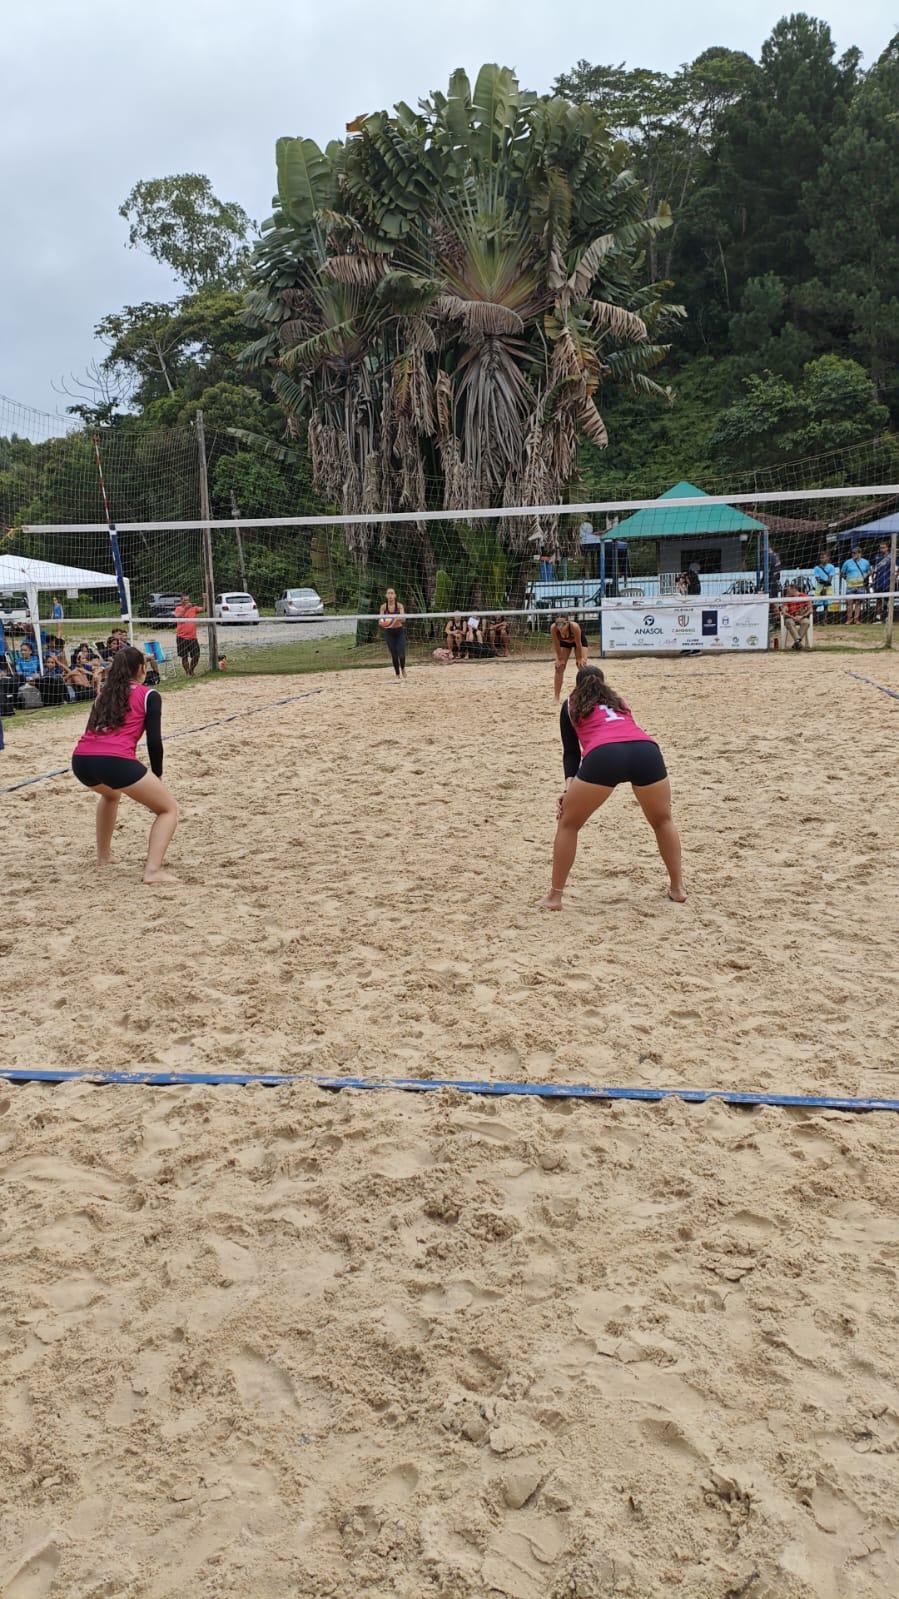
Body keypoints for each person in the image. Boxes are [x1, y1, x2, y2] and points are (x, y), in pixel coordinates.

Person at [539, 664, 685, 911]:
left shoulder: (570, 704)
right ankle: (678, 888)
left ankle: (555, 897)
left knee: (568, 824)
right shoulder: (620, 702)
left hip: (604, 754)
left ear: (577, 686)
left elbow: (571, 752)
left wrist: (568, 789)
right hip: (646, 750)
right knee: (663, 820)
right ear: (604, 684)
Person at [71, 645, 178, 885]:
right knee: (168, 809)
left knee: (111, 794)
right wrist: (157, 775)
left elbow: (91, 729)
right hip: (114, 761)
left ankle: (104, 856)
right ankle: (153, 871)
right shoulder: (149, 695)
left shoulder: (103, 694)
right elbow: (154, 741)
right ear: (141, 669)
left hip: (81, 760)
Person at [550, 613, 587, 702]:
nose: (560, 627)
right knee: (559, 667)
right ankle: (556, 697)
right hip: (564, 643)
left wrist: (579, 658)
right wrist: (560, 659)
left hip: (579, 642)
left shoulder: (574, 627)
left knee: (582, 666)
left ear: (568, 622)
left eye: (562, 624)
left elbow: (578, 644)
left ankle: (585, 695)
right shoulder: (553, 628)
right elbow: (556, 644)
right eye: (557, 624)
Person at [378, 587, 407, 679]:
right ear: (386, 596)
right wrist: (384, 623)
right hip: (389, 632)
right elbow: (380, 621)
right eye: (388, 593)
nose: (390, 595)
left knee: (401, 655)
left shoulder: (399, 606)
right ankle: (397, 674)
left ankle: (403, 668)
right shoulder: (383, 607)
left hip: (399, 632)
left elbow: (403, 619)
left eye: (392, 593)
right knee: (394, 655)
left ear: (395, 595)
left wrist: (394, 620)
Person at [841, 545, 871, 625]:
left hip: (861, 585)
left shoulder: (866, 562)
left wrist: (865, 577)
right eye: (852, 553)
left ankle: (856, 619)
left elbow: (869, 571)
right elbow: (842, 573)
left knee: (858, 603)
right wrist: (847, 579)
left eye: (855, 553)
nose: (853, 554)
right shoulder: (847, 562)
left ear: (860, 553)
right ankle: (849, 619)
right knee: (849, 603)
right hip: (850, 585)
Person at [174, 593, 202, 675]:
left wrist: (205, 599)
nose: (187, 601)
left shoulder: (193, 608)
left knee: (196, 655)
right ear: (181, 600)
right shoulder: (178, 608)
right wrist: (185, 609)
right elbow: (178, 618)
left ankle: (191, 670)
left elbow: (204, 608)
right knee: (184, 656)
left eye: (188, 600)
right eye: (185, 600)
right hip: (181, 637)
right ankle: (187, 673)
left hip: (192, 637)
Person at [782, 583, 812, 650]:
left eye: (788, 590)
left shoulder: (804, 596)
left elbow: (810, 610)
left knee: (806, 622)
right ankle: (798, 642)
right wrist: (793, 617)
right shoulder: (787, 598)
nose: (787, 592)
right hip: (791, 617)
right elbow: (784, 611)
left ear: (794, 589)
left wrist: (802, 616)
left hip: (802, 617)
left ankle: (797, 642)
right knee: (789, 622)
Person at [812, 549, 838, 624]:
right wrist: (823, 586)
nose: (822, 559)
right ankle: (815, 621)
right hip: (819, 588)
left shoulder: (831, 567)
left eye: (824, 557)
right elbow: (818, 579)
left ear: (828, 558)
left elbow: (830, 579)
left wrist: (825, 587)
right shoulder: (817, 568)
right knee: (815, 605)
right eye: (821, 557)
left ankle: (824, 621)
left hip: (828, 587)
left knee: (826, 605)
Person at [872, 540, 895, 623]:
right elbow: (874, 569)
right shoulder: (877, 557)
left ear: (887, 548)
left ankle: (887, 617)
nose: (882, 549)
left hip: (888, 582)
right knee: (878, 600)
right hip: (878, 581)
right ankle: (878, 618)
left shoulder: (891, 557)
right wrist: (873, 579)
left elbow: (896, 568)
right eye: (880, 548)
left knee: (887, 600)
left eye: (883, 547)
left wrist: (894, 577)